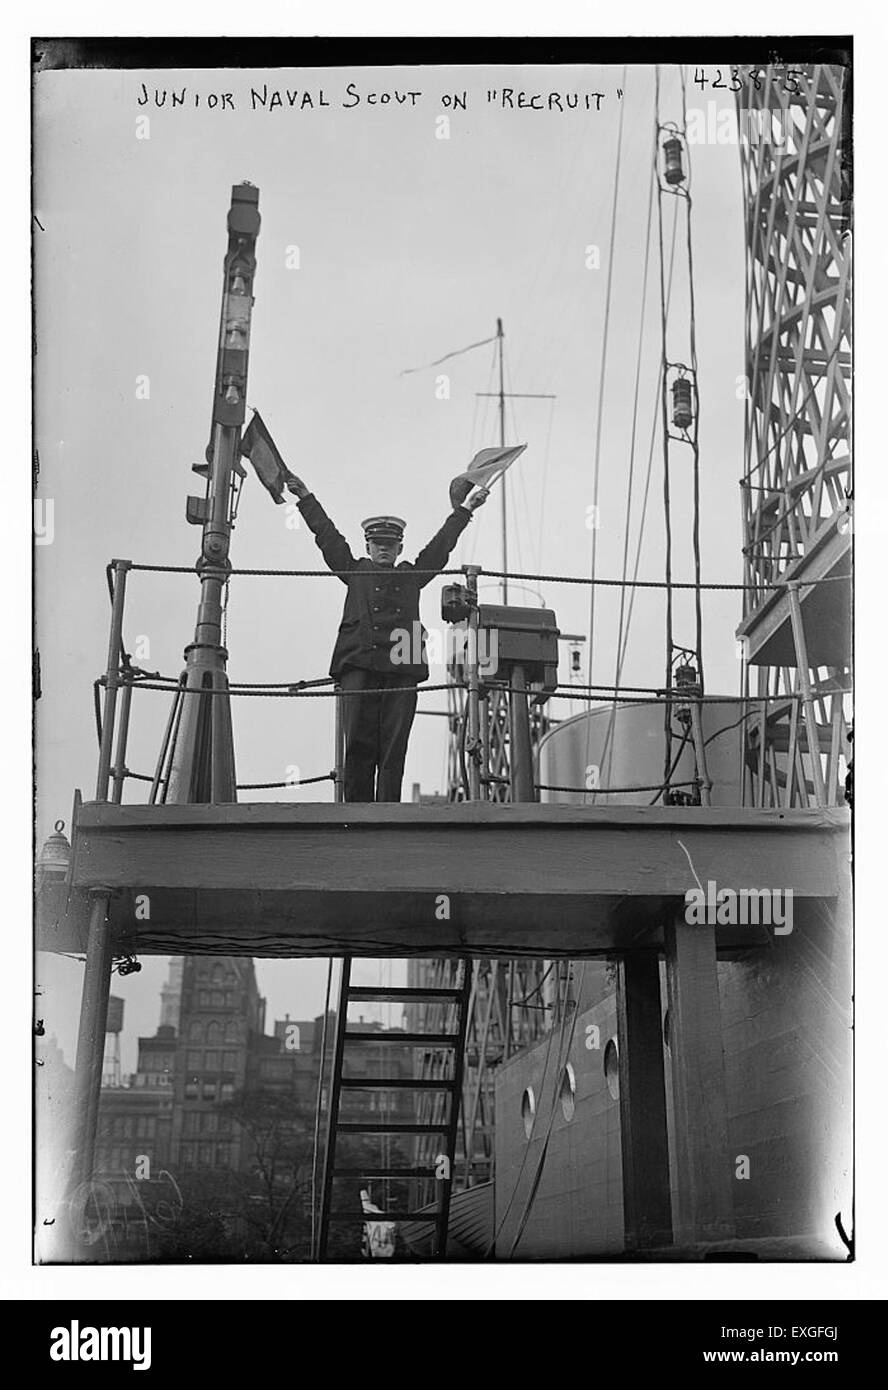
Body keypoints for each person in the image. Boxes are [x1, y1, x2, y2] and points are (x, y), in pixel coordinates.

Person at [283, 472, 488, 802]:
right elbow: (328, 538)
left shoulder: (412, 575)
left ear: (399, 548)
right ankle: (355, 815)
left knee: (394, 749)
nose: (383, 550)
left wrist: (465, 509)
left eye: (389, 546)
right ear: (368, 546)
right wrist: (306, 498)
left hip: (402, 668)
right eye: (378, 545)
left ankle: (388, 811)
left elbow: (440, 548)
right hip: (359, 665)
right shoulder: (355, 571)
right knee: (359, 746)